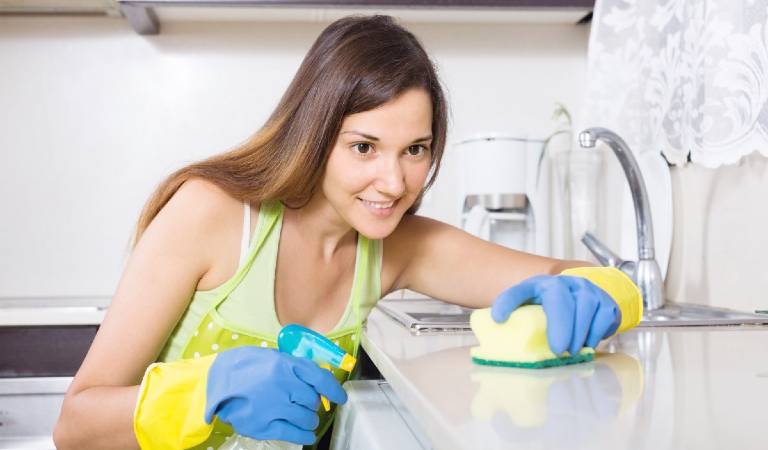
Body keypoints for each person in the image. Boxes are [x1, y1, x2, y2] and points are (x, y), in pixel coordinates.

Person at [53, 15, 641, 450]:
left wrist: (604, 295)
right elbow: (75, 426)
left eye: (416, 150)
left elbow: (577, 276)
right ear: (314, 134)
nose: (392, 181)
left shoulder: (395, 249)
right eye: (364, 147)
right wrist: (207, 389)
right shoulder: (211, 212)